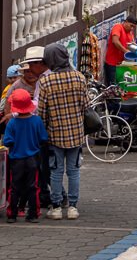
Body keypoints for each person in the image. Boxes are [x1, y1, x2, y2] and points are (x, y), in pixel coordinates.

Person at [38, 43, 87, 220]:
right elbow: (85, 106)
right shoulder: (79, 78)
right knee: (74, 171)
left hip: (55, 134)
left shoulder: (45, 81)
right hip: (76, 133)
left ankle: (57, 207)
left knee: (56, 171)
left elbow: (42, 113)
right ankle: (73, 207)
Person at [3, 89, 49, 223]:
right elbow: (43, 138)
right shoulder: (37, 121)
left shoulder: (12, 123)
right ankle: (33, 213)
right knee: (33, 187)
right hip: (33, 159)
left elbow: (7, 141)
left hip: (16, 159)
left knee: (14, 187)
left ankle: (12, 214)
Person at [104, 14, 137, 85]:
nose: (132, 29)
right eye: (131, 26)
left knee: (121, 87)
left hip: (122, 65)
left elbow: (131, 46)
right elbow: (115, 41)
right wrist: (125, 51)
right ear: (126, 22)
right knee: (112, 87)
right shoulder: (118, 27)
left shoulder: (130, 34)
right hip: (112, 64)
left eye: (133, 27)